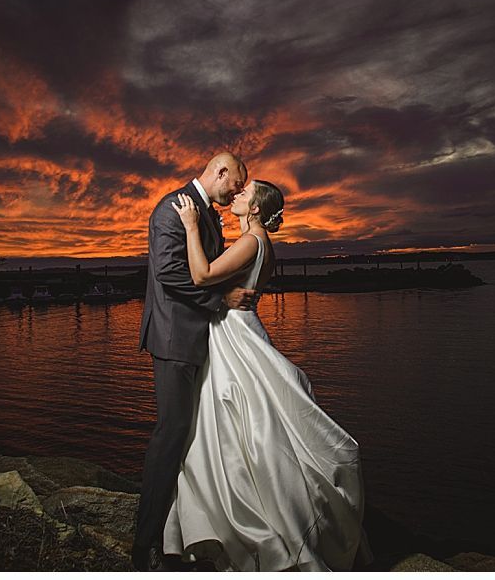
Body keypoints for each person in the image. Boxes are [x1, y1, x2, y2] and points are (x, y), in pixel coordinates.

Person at [162, 179, 370, 571]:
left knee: (234, 419)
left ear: (256, 208)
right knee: (240, 422)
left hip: (234, 333)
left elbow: (202, 276)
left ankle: (243, 520)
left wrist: (191, 226)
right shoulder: (256, 241)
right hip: (236, 327)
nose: (237, 195)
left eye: (245, 193)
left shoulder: (253, 241)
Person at [133, 152, 258, 572]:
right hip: (173, 339)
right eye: (235, 183)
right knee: (171, 435)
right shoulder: (173, 207)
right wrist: (220, 299)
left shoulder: (203, 212)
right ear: (220, 172)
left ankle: (181, 531)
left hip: (196, 338)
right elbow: (170, 271)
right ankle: (144, 542)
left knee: (189, 434)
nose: (236, 191)